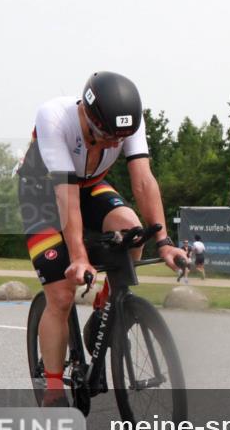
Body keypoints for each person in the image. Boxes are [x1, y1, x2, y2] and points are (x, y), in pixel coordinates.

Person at [17, 71, 186, 406]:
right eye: (108, 136)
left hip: (88, 186)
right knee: (61, 295)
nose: (113, 144)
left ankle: (105, 308)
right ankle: (53, 389)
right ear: (88, 116)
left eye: (120, 139)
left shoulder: (128, 123)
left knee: (132, 229)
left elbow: (143, 181)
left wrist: (164, 242)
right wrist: (79, 257)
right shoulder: (54, 117)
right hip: (43, 196)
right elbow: (66, 197)